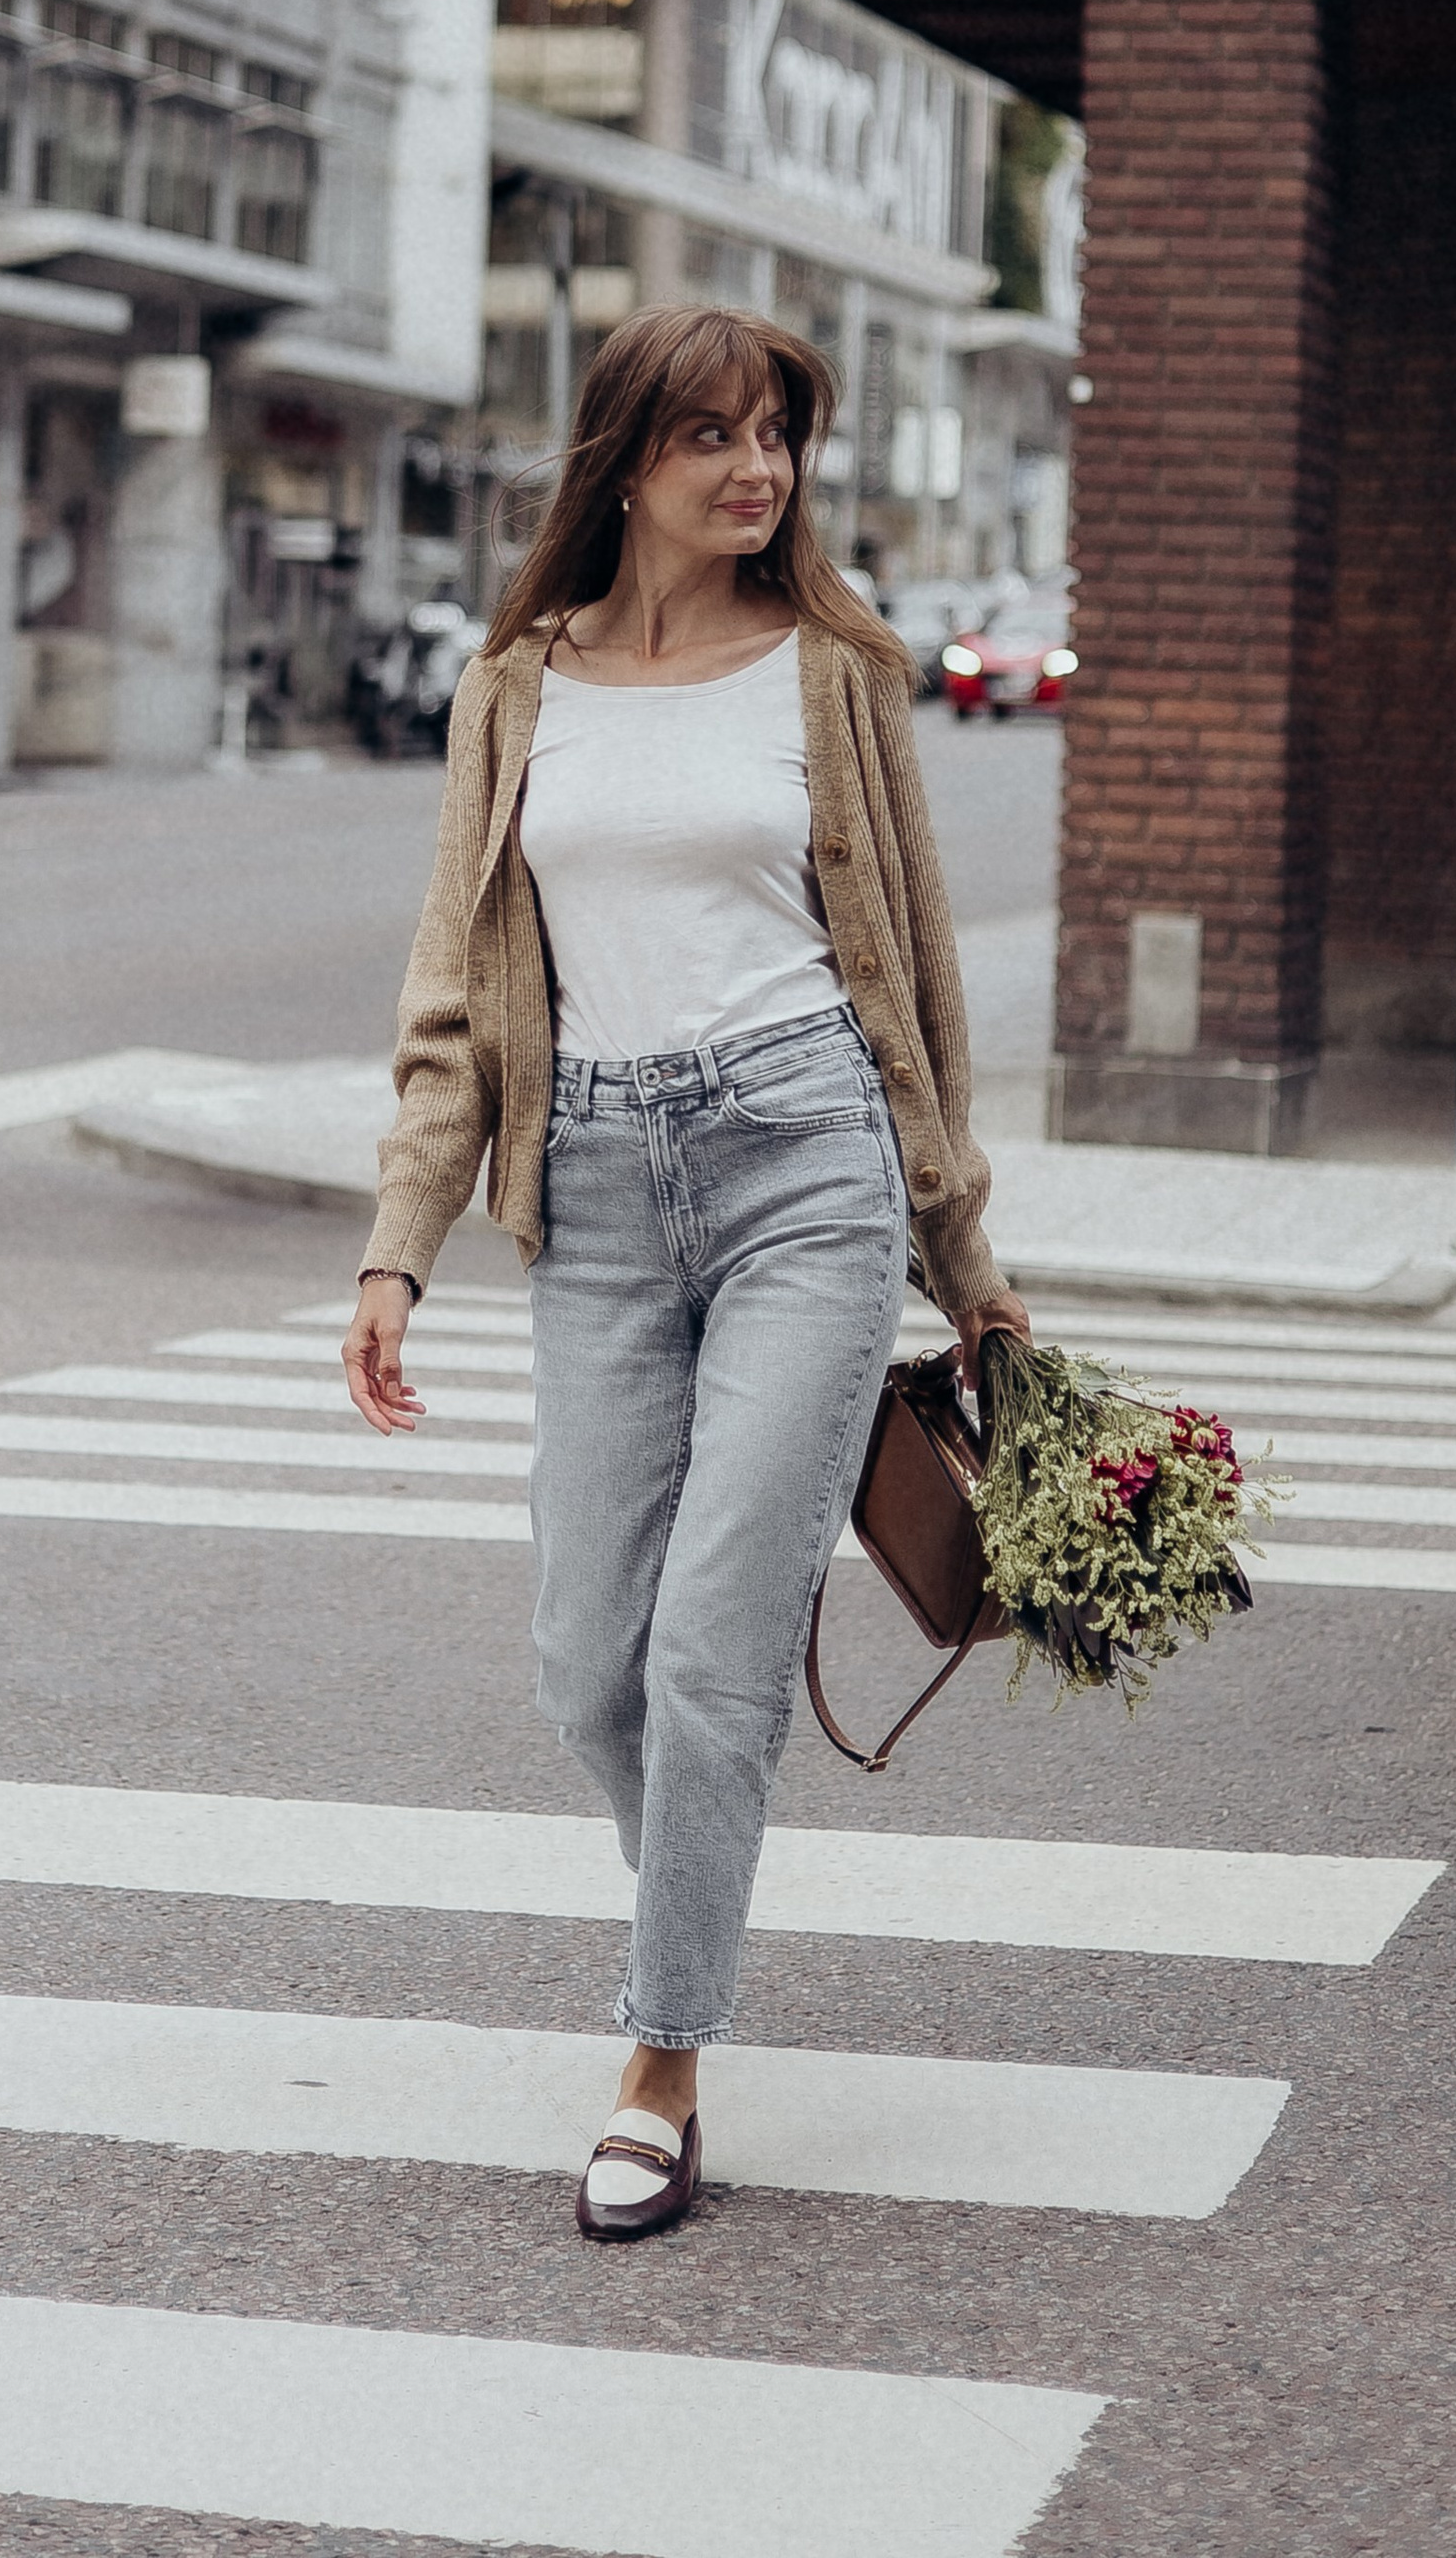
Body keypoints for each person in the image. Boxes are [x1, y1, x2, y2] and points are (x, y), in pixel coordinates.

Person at [342, 305, 1028, 2240]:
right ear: (623, 456)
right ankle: (696, 1911)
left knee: (718, 1643)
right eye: (718, 435)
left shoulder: (837, 675)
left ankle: (661, 2059)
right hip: (601, 1195)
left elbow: (918, 993)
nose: (760, 470)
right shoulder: (514, 691)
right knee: (589, 1662)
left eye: (781, 437)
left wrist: (963, 1257)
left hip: (806, 1159)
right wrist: (401, 1248)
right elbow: (458, 1001)